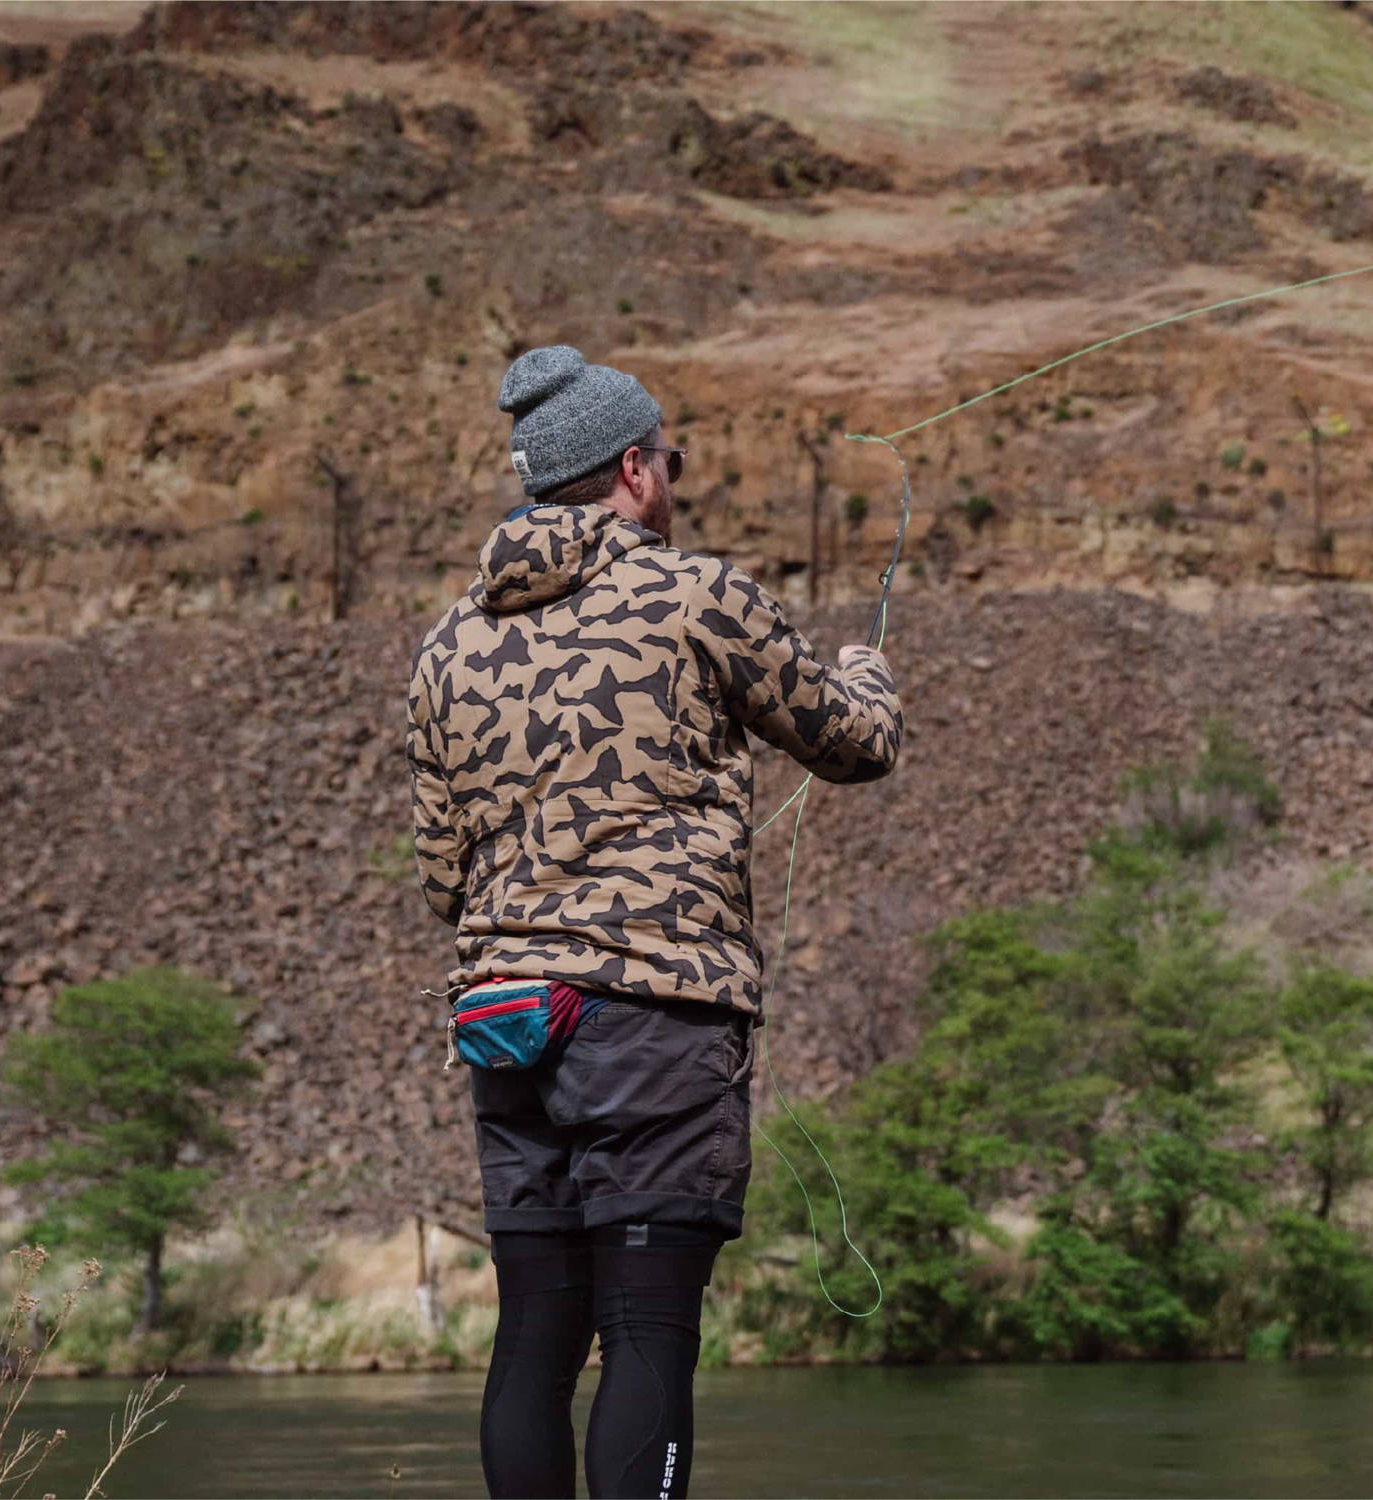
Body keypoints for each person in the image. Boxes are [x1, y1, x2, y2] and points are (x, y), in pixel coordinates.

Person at [405, 345, 902, 1499]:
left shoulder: (444, 646)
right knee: (645, 1331)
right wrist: (868, 674)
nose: (672, 476)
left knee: (533, 1334)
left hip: (506, 1025)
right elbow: (854, 745)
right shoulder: (699, 595)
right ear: (633, 468)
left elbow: (444, 880)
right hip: (655, 1023)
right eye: (667, 458)